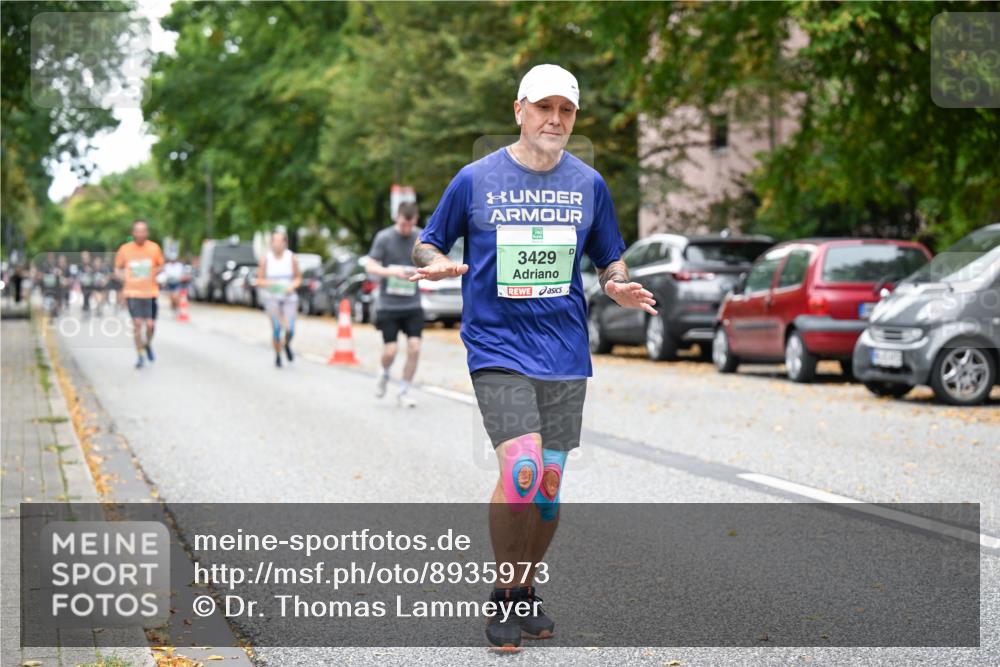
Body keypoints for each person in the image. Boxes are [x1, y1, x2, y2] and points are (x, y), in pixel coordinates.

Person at [411, 64, 656, 651]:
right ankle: (502, 595)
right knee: (520, 472)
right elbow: (429, 239)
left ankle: (524, 590)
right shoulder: (474, 179)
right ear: (518, 110)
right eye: (544, 107)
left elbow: (609, 257)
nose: (555, 119)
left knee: (547, 484)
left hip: (565, 349)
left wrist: (618, 283)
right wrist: (435, 262)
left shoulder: (588, 185)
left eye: (566, 110)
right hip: (497, 346)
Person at [366, 201, 424, 408]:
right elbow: (370, 266)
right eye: (403, 225)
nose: (406, 229)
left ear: (415, 220)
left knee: (415, 348)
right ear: (396, 218)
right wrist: (392, 272)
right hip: (389, 305)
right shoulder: (384, 237)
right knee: (390, 350)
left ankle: (404, 391)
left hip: (412, 304)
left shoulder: (421, 236)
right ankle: (383, 373)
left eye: (410, 225)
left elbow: (431, 260)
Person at [114, 220, 165, 369]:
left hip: (150, 292)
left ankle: (147, 344)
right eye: (138, 230)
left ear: (147, 233)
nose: (140, 233)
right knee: (137, 324)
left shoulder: (154, 248)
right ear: (133, 233)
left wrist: (157, 273)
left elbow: (161, 264)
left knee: (150, 325)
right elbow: (117, 268)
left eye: (143, 230)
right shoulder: (125, 249)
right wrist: (122, 277)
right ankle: (140, 354)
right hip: (132, 292)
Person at [256, 230, 301, 368]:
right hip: (272, 297)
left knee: (290, 329)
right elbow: (260, 280)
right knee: (276, 329)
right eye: (274, 241)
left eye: (280, 241)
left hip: (288, 297)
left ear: (285, 243)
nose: (277, 244)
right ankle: (277, 355)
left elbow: (298, 278)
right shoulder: (266, 259)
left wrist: (291, 286)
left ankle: (286, 344)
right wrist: (272, 284)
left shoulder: (291, 258)